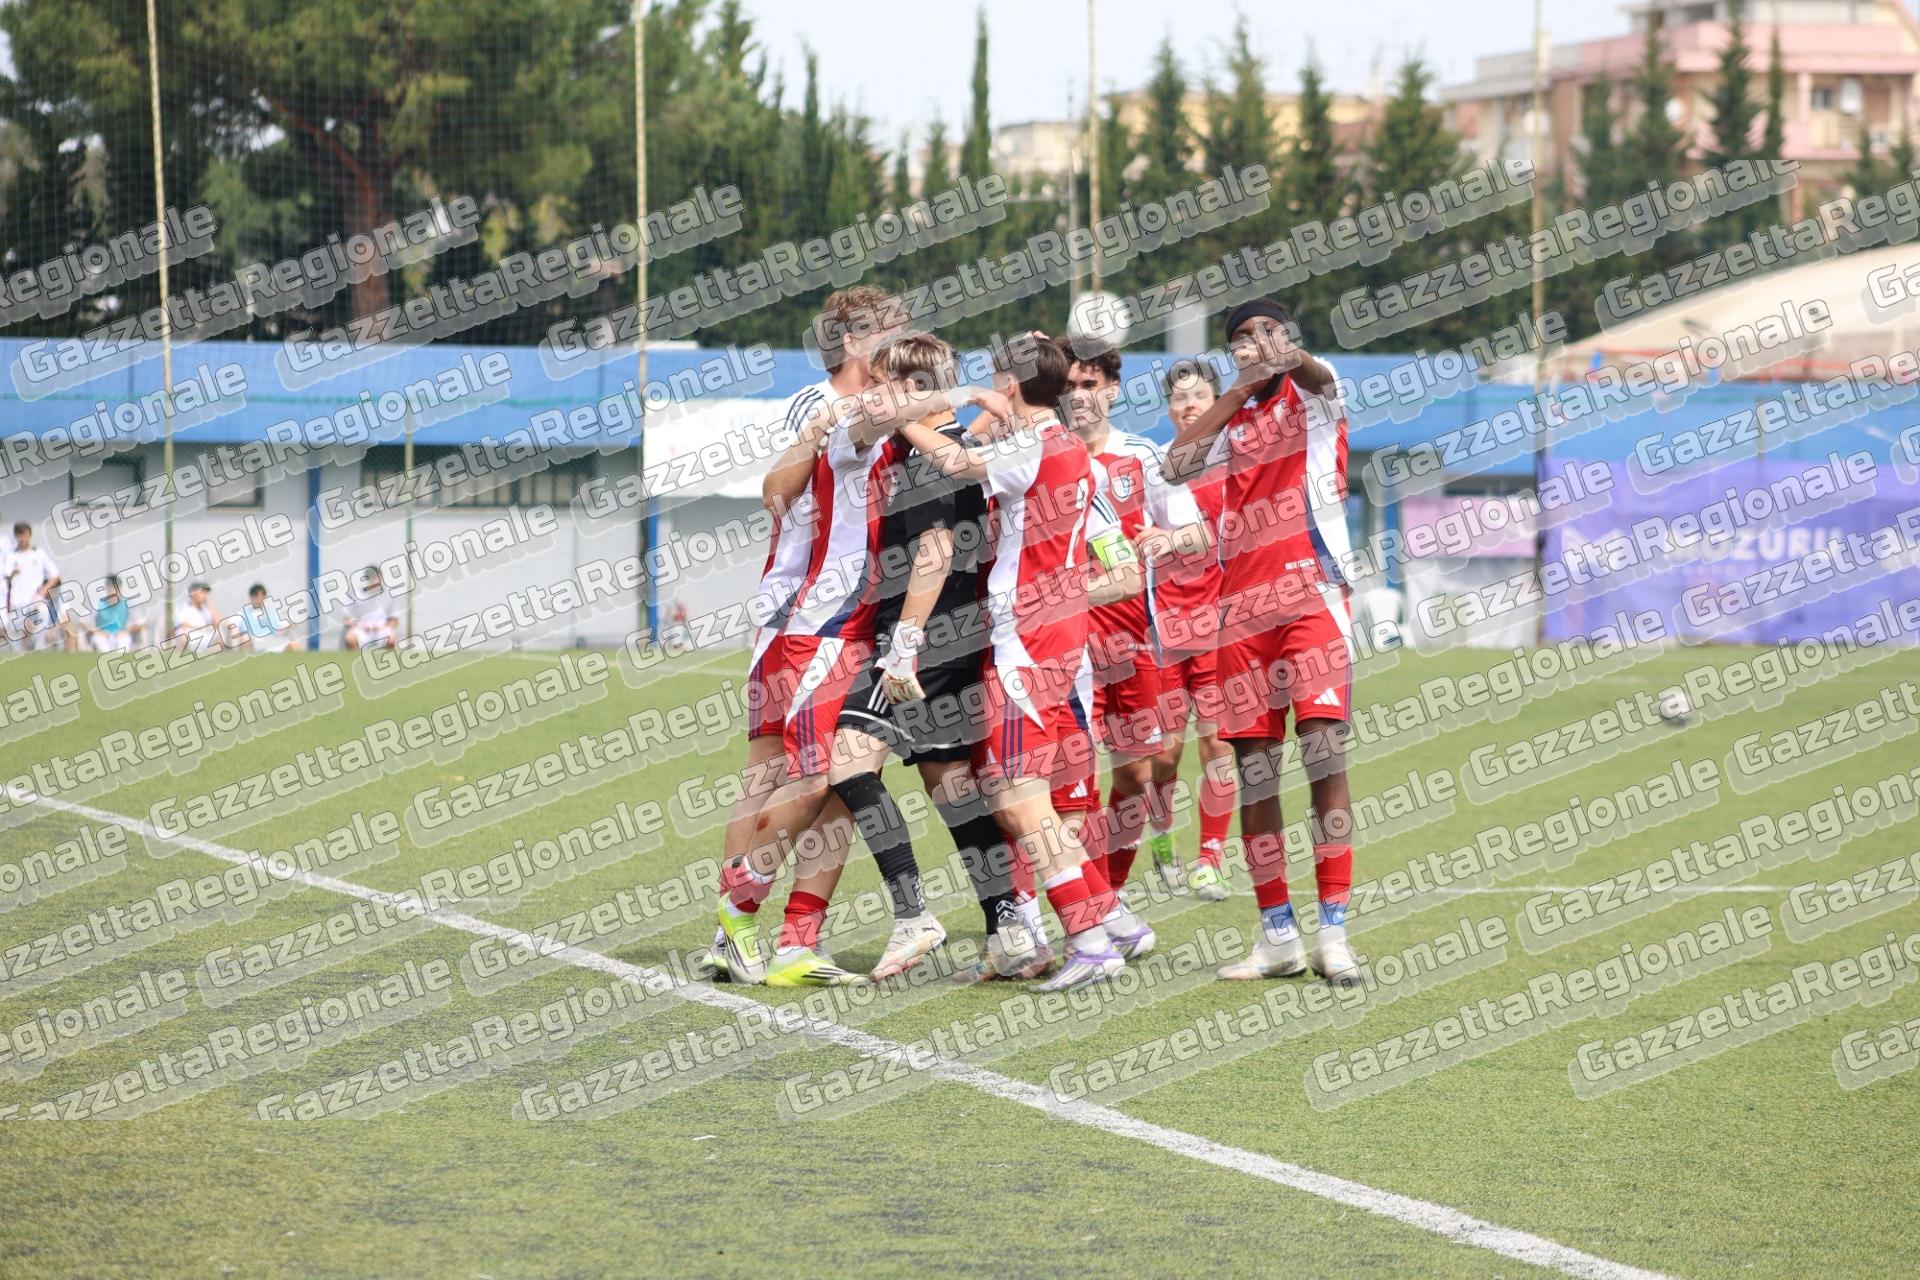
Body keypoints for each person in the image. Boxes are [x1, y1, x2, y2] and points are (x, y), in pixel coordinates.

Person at [896, 333, 1144, 990]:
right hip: (1056, 641)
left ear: (1010, 386)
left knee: (1019, 800)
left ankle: (1090, 941)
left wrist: (901, 417)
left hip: (1025, 644)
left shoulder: (1031, 446)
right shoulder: (1073, 452)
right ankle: (1108, 922)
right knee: (1020, 802)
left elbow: (956, 462)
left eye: (994, 376)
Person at [710, 287, 904, 983]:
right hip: (804, 611)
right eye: (890, 332)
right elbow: (779, 492)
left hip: (847, 616)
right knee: (787, 772)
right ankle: (738, 923)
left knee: (843, 775)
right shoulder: (818, 405)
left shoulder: (888, 405)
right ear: (852, 341)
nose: (900, 345)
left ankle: (789, 939)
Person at [1165, 298, 1359, 985]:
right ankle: (1278, 935)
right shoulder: (1235, 417)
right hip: (1241, 615)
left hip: (1313, 598)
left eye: (1268, 332)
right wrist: (1235, 391)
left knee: (1325, 757)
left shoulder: (1316, 393)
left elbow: (1314, 372)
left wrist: (1283, 357)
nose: (1256, 343)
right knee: (1255, 775)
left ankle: (1333, 932)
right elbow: (1176, 466)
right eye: (1241, 339)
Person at [1058, 339, 1212, 917]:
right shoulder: (1045, 455)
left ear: (1113, 390)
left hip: (1132, 638)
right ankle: (1088, 908)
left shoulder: (1142, 456)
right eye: (1069, 386)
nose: (1079, 396)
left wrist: (1168, 540)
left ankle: (1111, 895)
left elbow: (1199, 531)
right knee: (1069, 778)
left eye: (1089, 385)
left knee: (1136, 773)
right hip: (1064, 641)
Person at [1146, 359, 1238, 900]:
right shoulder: (1158, 466)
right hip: (1164, 627)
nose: (1189, 405)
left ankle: (1210, 859)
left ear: (1217, 401)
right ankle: (1162, 841)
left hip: (1223, 627)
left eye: (1199, 395)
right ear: (1169, 409)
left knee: (1218, 745)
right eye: (1179, 399)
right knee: (1163, 755)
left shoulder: (1239, 459)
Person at [3, 522, 61, 650]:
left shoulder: (39, 553)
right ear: (16, 536)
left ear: (29, 535)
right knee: (17, 635)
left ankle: (39, 646)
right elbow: (6, 577)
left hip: (35, 598)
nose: (22, 538)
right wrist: (13, 573)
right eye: (19, 535)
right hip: (17, 601)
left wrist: (43, 591)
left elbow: (55, 575)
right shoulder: (11, 555)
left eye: (24, 535)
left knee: (43, 611)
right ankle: (22, 653)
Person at [343, 567, 399, 650]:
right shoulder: (356, 595)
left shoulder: (388, 595)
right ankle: (356, 657)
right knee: (350, 638)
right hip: (362, 630)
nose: (378, 581)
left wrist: (384, 627)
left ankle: (386, 657)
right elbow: (347, 619)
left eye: (379, 578)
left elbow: (395, 620)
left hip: (381, 629)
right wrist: (357, 626)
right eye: (374, 578)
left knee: (391, 639)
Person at [87, 576, 146, 652]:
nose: (113, 591)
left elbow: (141, 623)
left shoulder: (128, 604)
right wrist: (97, 632)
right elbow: (84, 622)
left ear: (120, 589)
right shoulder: (98, 604)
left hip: (121, 635)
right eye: (111, 588)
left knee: (124, 642)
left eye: (116, 588)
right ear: (107, 589)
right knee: (100, 642)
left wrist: (127, 631)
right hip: (102, 636)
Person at [173, 582, 224, 654]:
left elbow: (218, 623)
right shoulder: (183, 607)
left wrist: (209, 603)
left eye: (206, 593)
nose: (205, 595)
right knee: (184, 637)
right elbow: (182, 625)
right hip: (189, 638)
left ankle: (210, 659)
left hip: (203, 637)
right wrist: (202, 627)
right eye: (202, 592)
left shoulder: (206, 610)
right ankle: (177, 657)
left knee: (220, 636)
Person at [237, 584, 291, 652]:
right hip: (254, 642)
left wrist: (289, 626)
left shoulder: (271, 613)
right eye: (257, 597)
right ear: (251, 597)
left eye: (262, 597)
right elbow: (242, 634)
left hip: (271, 641)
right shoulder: (244, 614)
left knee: (293, 644)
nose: (259, 600)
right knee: (245, 640)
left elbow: (278, 630)